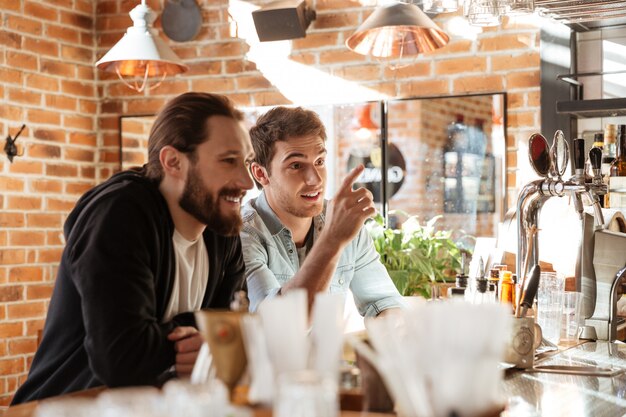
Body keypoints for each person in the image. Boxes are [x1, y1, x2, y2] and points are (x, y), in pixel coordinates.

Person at [11, 92, 255, 404]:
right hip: (66, 409)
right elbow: (121, 359)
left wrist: (178, 338)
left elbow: (229, 338)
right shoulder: (120, 215)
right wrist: (194, 338)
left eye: (246, 162)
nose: (246, 182)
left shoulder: (221, 226)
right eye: (228, 161)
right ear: (173, 162)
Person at [241, 106, 404, 316]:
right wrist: (333, 239)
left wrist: (389, 338)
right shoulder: (244, 234)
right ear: (261, 174)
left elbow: (383, 302)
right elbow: (276, 322)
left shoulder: (340, 219)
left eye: (319, 162)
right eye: (296, 165)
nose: (316, 179)